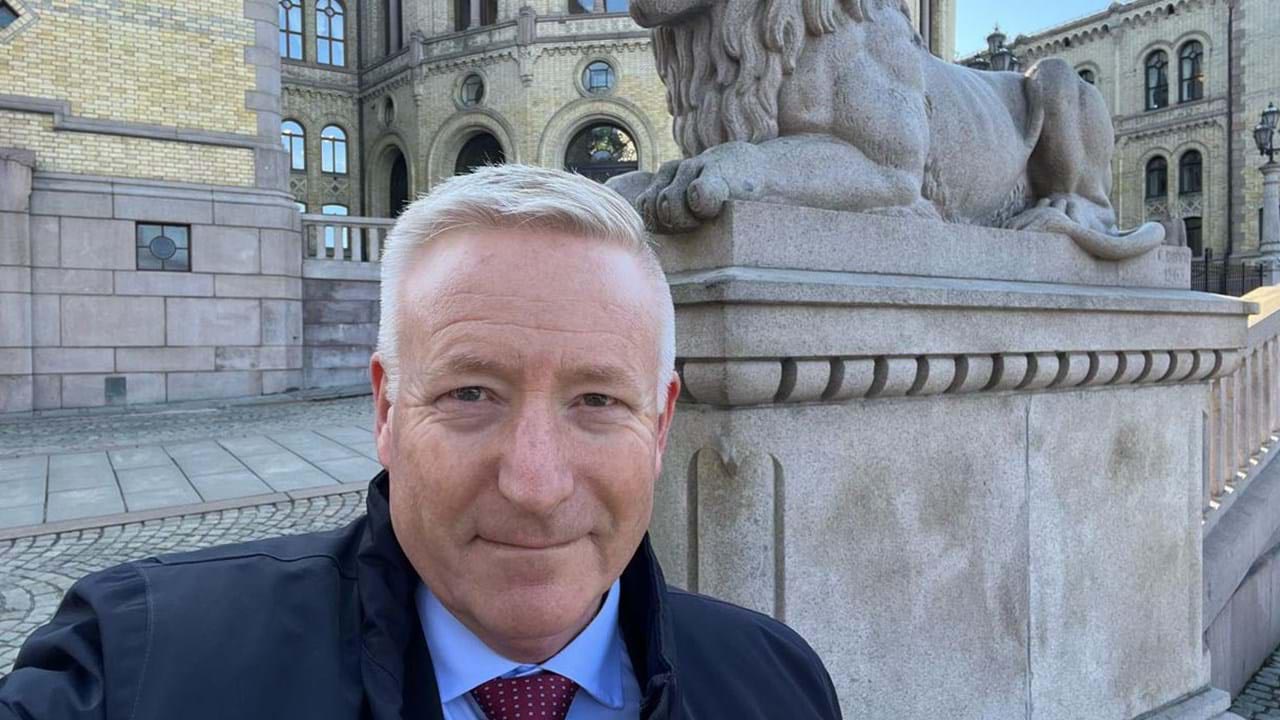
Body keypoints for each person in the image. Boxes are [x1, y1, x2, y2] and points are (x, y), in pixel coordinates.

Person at [0, 165, 842, 720]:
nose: (535, 483)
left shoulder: (777, 685)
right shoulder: (137, 668)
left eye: (597, 400)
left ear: (658, 427)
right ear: (386, 410)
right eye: (471, 394)